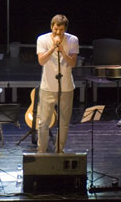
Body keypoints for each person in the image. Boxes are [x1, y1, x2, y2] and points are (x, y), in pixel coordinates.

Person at [36, 14, 79, 153]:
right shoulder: (42, 39)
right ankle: (41, 152)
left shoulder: (72, 40)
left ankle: (59, 150)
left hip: (66, 88)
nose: (58, 32)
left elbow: (72, 64)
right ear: (51, 27)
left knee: (64, 122)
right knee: (43, 123)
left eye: (61, 30)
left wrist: (62, 51)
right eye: (55, 29)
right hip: (47, 87)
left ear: (65, 29)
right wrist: (53, 48)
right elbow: (41, 61)